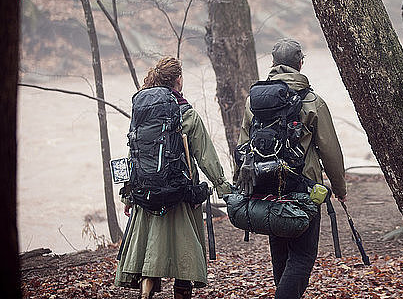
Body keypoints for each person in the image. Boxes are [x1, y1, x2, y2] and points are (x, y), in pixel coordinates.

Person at [236, 38, 347, 299]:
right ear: (300, 64)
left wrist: (244, 184)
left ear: (273, 64)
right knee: (303, 256)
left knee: (281, 253)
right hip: (304, 188)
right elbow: (330, 149)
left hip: (266, 186)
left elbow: (243, 145)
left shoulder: (255, 101)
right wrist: (340, 188)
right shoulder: (312, 100)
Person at [115, 57, 231, 299]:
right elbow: (206, 156)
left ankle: (146, 295)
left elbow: (133, 154)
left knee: (150, 253)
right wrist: (224, 188)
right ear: (178, 79)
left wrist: (128, 195)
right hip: (180, 197)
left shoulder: (143, 113)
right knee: (184, 258)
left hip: (145, 196)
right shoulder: (187, 114)